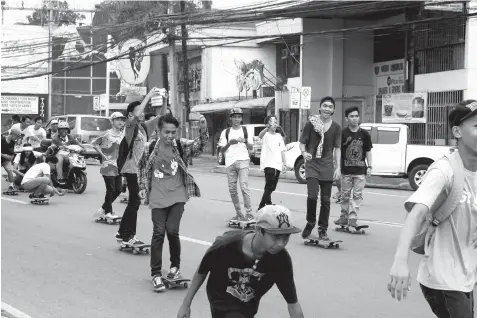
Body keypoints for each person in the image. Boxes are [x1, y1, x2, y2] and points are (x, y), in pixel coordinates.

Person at [388, 99, 477, 318]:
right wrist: (400, 262)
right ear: (457, 132)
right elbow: (416, 214)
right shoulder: (444, 171)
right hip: (442, 279)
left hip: (466, 276)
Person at [177, 205, 305, 318]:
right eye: (276, 237)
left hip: (248, 306)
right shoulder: (226, 244)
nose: (281, 244)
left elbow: (292, 303)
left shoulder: (281, 260)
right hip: (221, 298)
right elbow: (202, 270)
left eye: (286, 237)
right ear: (259, 230)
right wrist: (186, 305)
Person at [138, 114, 209, 292]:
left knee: (172, 230)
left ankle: (174, 268)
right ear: (159, 131)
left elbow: (198, 147)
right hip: (157, 195)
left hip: (178, 195)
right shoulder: (150, 147)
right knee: (158, 232)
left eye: (173, 132)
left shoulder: (180, 145)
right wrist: (141, 187)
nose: (170, 136)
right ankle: (156, 274)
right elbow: (140, 167)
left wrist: (202, 128)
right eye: (167, 132)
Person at [115, 88, 162, 246]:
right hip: (131, 169)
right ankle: (129, 236)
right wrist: (148, 96)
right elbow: (135, 116)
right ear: (130, 115)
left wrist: (163, 99)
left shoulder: (143, 128)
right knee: (134, 202)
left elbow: (161, 115)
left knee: (134, 202)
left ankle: (122, 232)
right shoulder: (130, 127)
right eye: (139, 111)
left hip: (138, 170)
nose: (143, 113)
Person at [299, 96, 341, 241]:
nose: (327, 109)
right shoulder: (311, 124)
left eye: (330, 106)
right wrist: (304, 153)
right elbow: (302, 143)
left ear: (333, 110)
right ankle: (310, 223)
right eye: (325, 106)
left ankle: (323, 229)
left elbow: (337, 148)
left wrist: (338, 167)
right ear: (320, 108)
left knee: (326, 200)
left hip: (328, 167)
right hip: (312, 166)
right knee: (312, 196)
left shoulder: (336, 127)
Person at [334, 106, 372, 228]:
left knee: (357, 196)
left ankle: (353, 218)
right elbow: (338, 151)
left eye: (356, 116)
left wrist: (370, 166)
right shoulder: (343, 134)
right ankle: (343, 217)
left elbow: (368, 151)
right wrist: (338, 167)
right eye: (351, 116)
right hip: (346, 171)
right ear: (346, 118)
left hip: (360, 171)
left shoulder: (364, 134)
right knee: (344, 195)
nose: (355, 118)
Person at [218, 107, 254, 223]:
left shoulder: (246, 130)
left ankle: (249, 213)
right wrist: (230, 143)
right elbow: (222, 150)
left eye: (239, 117)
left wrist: (244, 141)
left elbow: (251, 147)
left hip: (243, 160)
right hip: (230, 162)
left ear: (241, 118)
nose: (237, 119)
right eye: (234, 117)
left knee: (244, 186)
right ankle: (239, 214)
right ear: (231, 118)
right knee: (232, 189)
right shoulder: (226, 132)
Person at [92, 112, 126, 220]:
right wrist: (102, 155)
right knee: (110, 189)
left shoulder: (123, 135)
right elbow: (94, 143)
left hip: (118, 166)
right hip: (108, 166)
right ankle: (107, 212)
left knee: (119, 189)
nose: (120, 122)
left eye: (122, 120)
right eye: (118, 120)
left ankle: (103, 209)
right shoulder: (107, 134)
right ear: (112, 121)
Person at [257, 115, 287, 210]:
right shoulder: (265, 135)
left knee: (271, 187)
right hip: (268, 164)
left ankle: (268, 204)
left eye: (275, 122)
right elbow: (259, 136)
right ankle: (261, 206)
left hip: (277, 164)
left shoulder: (279, 136)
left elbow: (282, 150)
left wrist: (284, 163)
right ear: (268, 124)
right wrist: (266, 128)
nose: (275, 124)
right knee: (270, 186)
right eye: (272, 122)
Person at [2, 126, 22, 193]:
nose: (17, 138)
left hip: (6, 160)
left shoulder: (12, 142)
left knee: (10, 170)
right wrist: (3, 155)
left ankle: (11, 186)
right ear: (12, 134)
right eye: (16, 136)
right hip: (2, 157)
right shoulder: (2, 139)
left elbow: (12, 151)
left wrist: (12, 156)